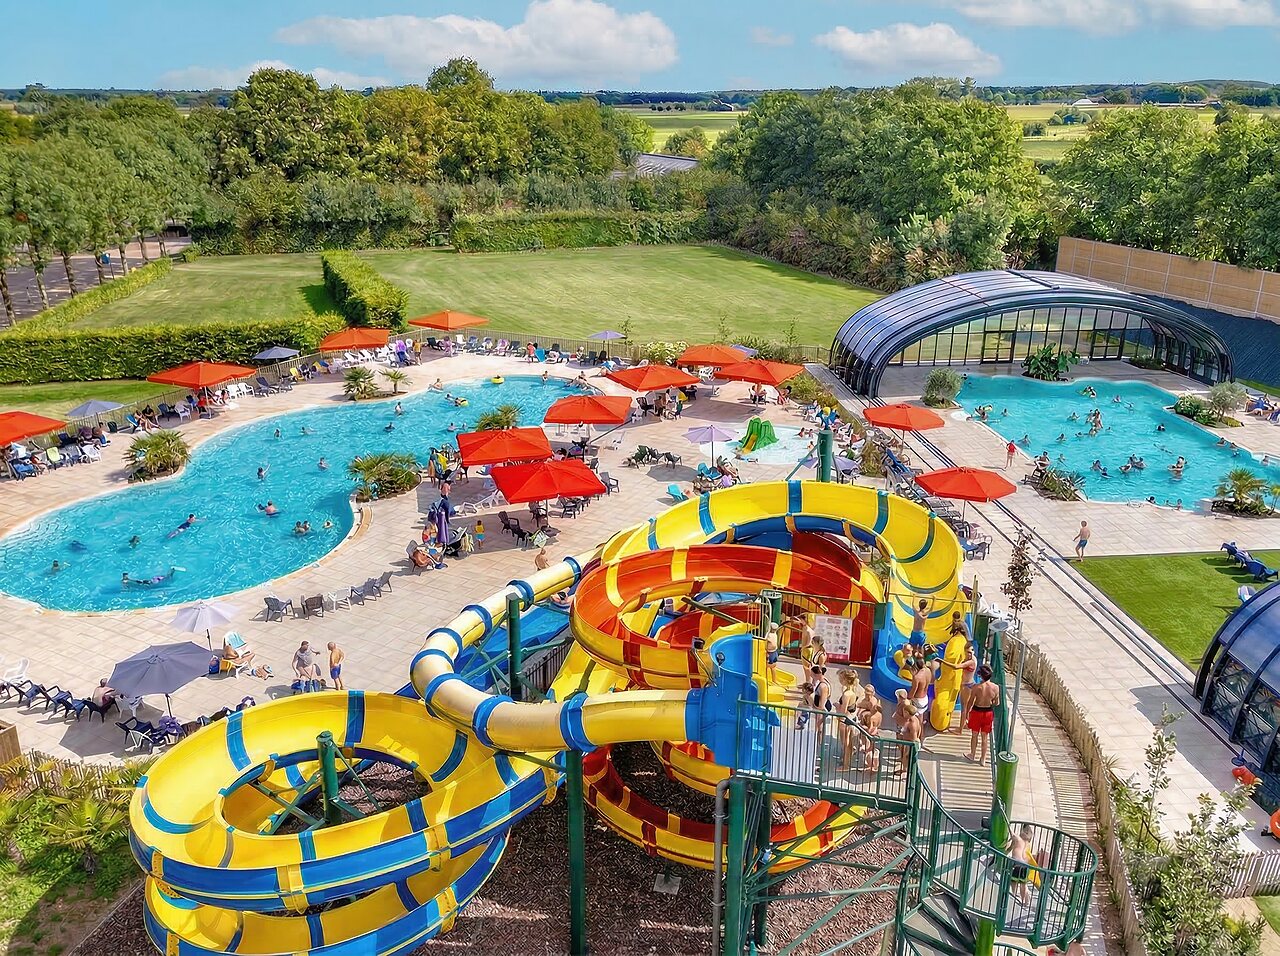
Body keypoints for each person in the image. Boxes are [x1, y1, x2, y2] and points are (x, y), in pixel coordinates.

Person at [967, 664, 1001, 765]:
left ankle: (972, 754)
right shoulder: (996, 688)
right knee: (984, 737)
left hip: (977, 712)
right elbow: (997, 703)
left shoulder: (976, 687)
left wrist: (967, 714)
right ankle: (983, 759)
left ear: (980, 676)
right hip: (988, 713)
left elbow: (970, 702)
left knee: (974, 735)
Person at [857, 683, 883, 773]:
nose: (867, 696)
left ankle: (871, 767)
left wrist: (860, 726)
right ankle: (874, 767)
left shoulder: (872, 717)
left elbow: (870, 730)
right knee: (873, 750)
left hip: (871, 734)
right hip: (874, 733)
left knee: (870, 750)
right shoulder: (877, 714)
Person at [1008, 824, 1036, 905]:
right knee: (1023, 884)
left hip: (1017, 864)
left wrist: (1008, 826)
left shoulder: (1018, 839)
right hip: (1025, 865)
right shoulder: (1027, 843)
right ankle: (1025, 900)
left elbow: (1012, 833)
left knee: (1014, 881)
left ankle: (1014, 894)